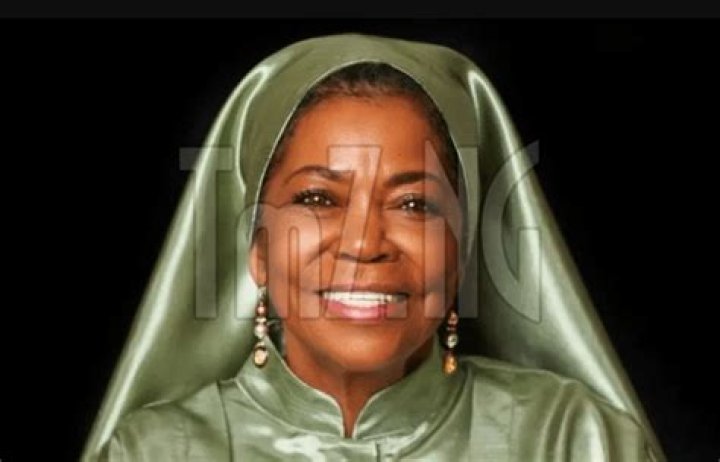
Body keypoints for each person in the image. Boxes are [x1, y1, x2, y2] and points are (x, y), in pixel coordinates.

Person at [83, 34, 665, 461]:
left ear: (460, 252)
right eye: (318, 198)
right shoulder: (155, 452)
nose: (364, 244)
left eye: (414, 204)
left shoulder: (574, 441)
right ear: (258, 248)